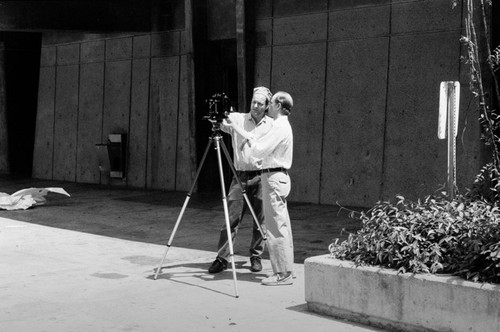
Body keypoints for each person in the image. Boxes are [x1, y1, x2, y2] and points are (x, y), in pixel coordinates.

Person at [224, 91, 294, 286]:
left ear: (278, 105)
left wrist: (245, 140)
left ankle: (282, 274)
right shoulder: (282, 125)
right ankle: (287, 270)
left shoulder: (278, 126)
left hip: (272, 177)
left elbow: (258, 148)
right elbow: (257, 140)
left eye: (270, 103)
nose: (268, 106)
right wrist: (237, 129)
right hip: (276, 176)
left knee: (275, 228)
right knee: (282, 226)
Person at [208, 86, 274, 274]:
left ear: (267, 106)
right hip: (240, 176)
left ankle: (255, 256)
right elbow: (221, 122)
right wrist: (217, 116)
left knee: (260, 220)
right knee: (231, 218)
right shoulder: (238, 119)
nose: (255, 106)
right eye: (253, 102)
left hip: (261, 176)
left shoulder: (271, 125)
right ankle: (222, 258)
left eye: (260, 103)